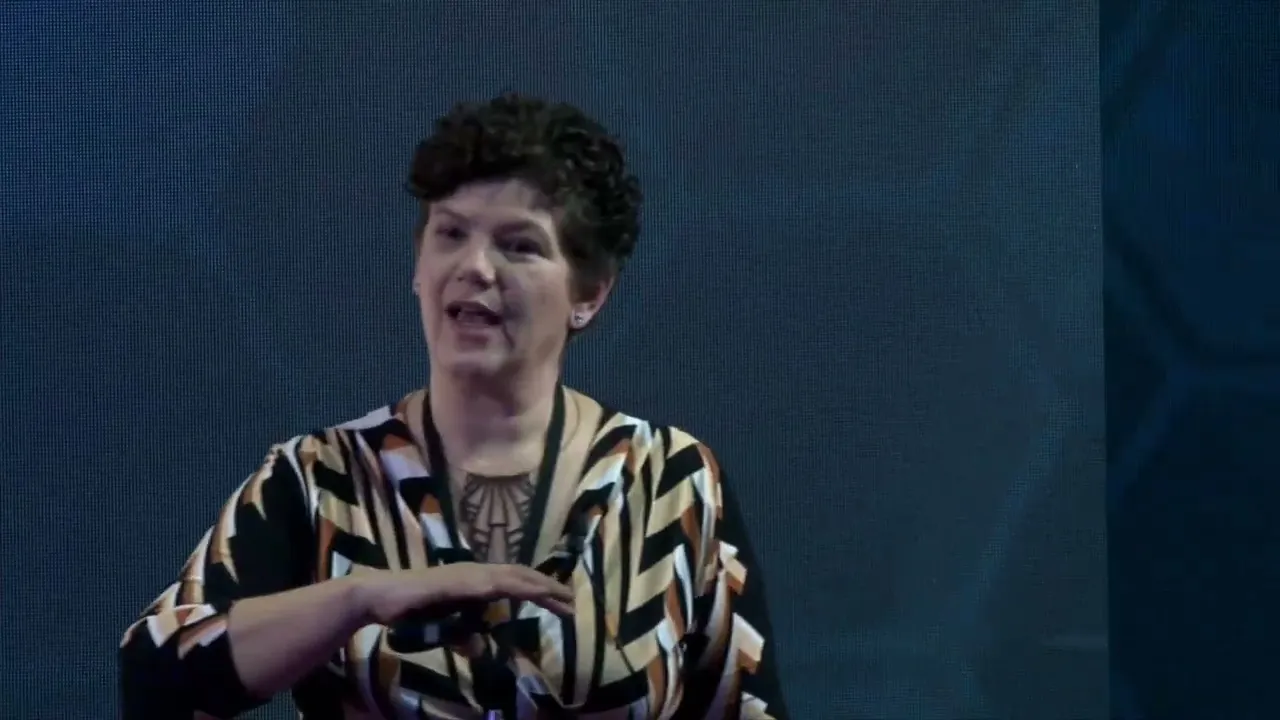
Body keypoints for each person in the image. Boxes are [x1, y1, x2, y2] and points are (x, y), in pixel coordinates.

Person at [119, 92, 787, 719]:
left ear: (590, 294)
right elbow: (154, 676)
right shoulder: (318, 478)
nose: (476, 267)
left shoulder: (672, 482)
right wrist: (358, 598)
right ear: (418, 266)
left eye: (519, 245)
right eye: (451, 234)